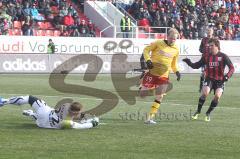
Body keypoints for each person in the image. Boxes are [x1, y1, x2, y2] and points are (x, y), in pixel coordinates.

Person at [183, 38, 234, 121]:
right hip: (209, 78)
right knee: (205, 93)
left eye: (212, 46)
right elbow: (196, 65)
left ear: (217, 46)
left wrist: (227, 76)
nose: (210, 47)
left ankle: (208, 113)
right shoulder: (206, 56)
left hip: (220, 80)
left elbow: (232, 68)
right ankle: (198, 111)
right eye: (209, 46)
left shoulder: (223, 56)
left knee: (217, 96)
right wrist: (189, 62)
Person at [139, 28, 181, 124]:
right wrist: (148, 60)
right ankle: (143, 85)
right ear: (167, 36)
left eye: (175, 39)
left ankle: (150, 118)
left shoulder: (176, 49)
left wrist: (177, 72)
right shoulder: (158, 43)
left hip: (164, 75)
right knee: (143, 94)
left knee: (160, 96)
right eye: (171, 38)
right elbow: (146, 50)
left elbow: (174, 64)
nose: (173, 40)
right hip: (152, 72)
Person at [0, 95, 99, 129]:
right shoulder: (67, 122)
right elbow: (81, 126)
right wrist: (93, 123)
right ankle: (31, 114)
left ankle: (5, 101)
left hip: (45, 113)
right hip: (43, 125)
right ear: (74, 112)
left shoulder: (66, 105)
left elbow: (73, 113)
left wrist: (82, 115)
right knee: (42, 118)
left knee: (30, 98)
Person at [198, 27, 214, 92]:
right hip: (204, 59)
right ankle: (201, 87)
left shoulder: (214, 40)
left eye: (210, 31)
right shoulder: (203, 40)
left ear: (212, 32)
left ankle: (210, 87)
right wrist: (203, 50)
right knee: (203, 74)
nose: (209, 32)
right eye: (208, 31)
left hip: (212, 59)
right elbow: (200, 48)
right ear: (206, 32)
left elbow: (218, 49)